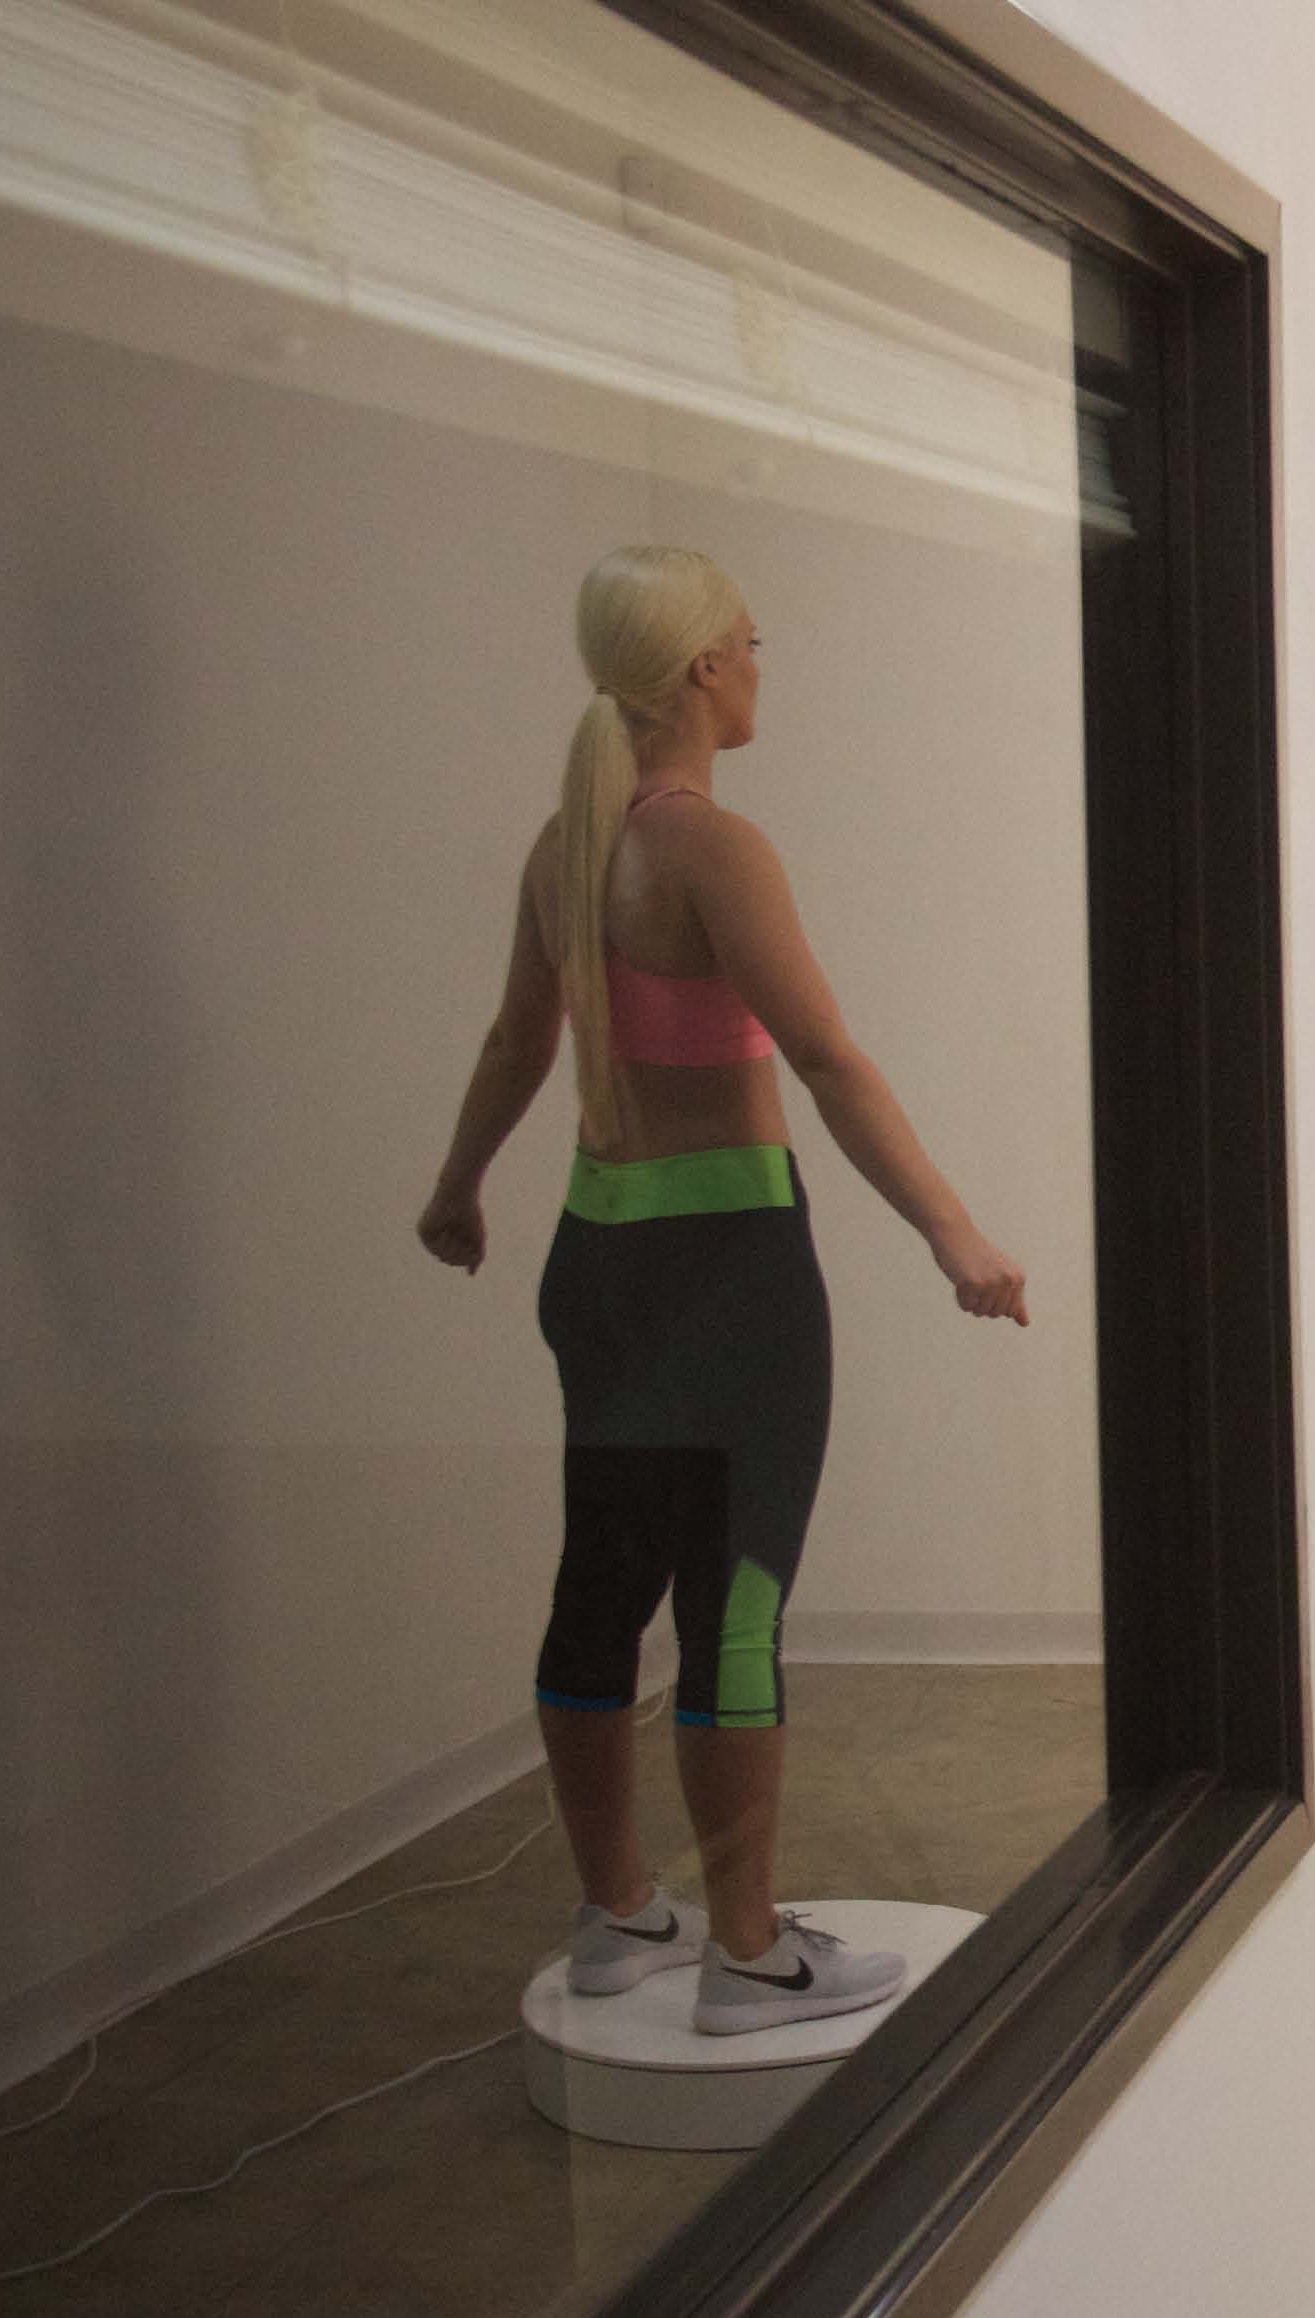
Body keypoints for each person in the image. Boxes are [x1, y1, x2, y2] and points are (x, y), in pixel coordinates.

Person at [419, 545, 1030, 2035]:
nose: (762, 666)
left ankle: (621, 1907)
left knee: (599, 1586)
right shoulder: (709, 847)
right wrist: (954, 1231)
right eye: (750, 643)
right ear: (701, 670)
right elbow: (825, 1059)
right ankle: (747, 1953)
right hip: (729, 1271)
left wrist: (455, 1187)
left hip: (597, 1256)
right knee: (735, 1604)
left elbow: (515, 1043)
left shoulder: (566, 841)